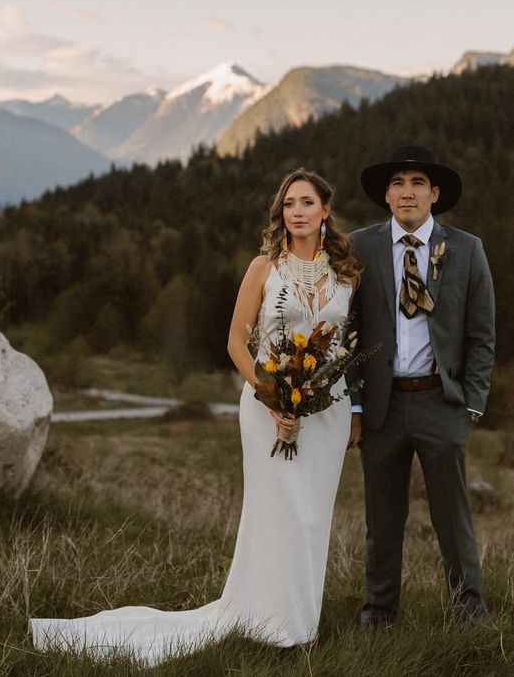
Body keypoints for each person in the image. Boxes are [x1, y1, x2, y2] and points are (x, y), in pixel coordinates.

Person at [30, 168, 360, 666]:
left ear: (325, 211)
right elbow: (234, 341)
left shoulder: (346, 275)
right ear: (281, 213)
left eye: (307, 202)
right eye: (289, 203)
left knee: (312, 517)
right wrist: (272, 395)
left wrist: (325, 400)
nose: (298, 211)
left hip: (326, 412)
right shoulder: (263, 267)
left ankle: (300, 623)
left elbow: (343, 347)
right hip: (266, 403)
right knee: (276, 511)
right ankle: (266, 622)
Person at [347, 145, 495, 626]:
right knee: (382, 522)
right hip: (382, 407)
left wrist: (471, 405)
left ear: (434, 194)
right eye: (397, 183)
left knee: (453, 521)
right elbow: (345, 331)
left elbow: (481, 334)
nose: (406, 192)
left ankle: (468, 614)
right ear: (386, 197)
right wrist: (354, 404)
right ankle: (378, 614)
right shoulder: (360, 247)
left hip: (441, 402)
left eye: (416, 183)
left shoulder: (467, 248)